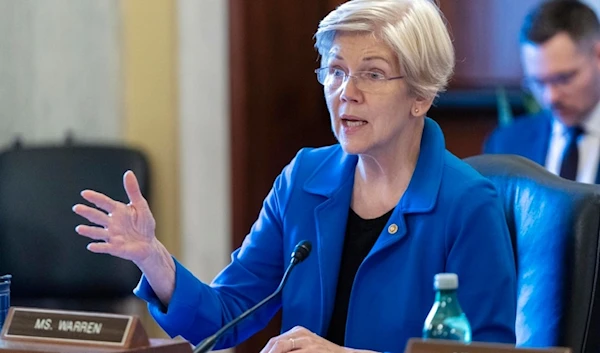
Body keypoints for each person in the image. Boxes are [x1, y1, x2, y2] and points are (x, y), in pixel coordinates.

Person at [73, 0, 517, 351]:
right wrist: (154, 258)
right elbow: (226, 315)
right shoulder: (304, 179)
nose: (348, 93)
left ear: (420, 95)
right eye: (337, 71)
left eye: (373, 74)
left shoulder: (468, 203)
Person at [484, 0, 600, 184]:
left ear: (597, 56)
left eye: (564, 79)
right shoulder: (505, 145)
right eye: (538, 83)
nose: (550, 97)